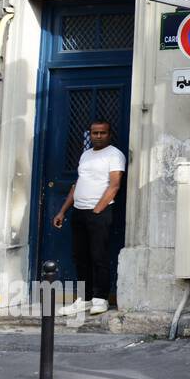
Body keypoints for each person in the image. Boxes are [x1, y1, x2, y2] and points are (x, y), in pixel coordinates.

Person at [53, 119, 125, 317]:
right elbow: (77, 184)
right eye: (95, 133)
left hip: (99, 212)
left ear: (109, 135)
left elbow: (115, 185)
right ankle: (84, 299)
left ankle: (100, 299)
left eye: (102, 133)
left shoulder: (115, 155)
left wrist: (97, 210)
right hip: (79, 211)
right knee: (80, 257)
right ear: (90, 134)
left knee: (99, 256)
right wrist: (63, 211)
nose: (98, 136)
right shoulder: (85, 155)